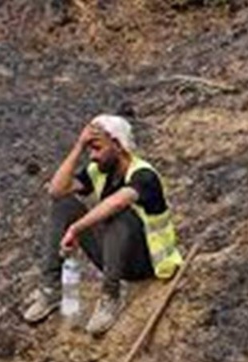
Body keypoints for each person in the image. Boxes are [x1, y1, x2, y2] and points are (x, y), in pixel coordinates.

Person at [24, 114, 183, 334]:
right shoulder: (98, 171)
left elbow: (116, 203)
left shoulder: (144, 176)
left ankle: (110, 297)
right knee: (63, 204)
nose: (92, 156)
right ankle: (50, 289)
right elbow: (56, 190)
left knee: (121, 215)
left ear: (117, 145)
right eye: (89, 150)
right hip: (113, 256)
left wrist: (75, 228)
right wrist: (78, 146)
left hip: (148, 262)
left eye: (97, 148)